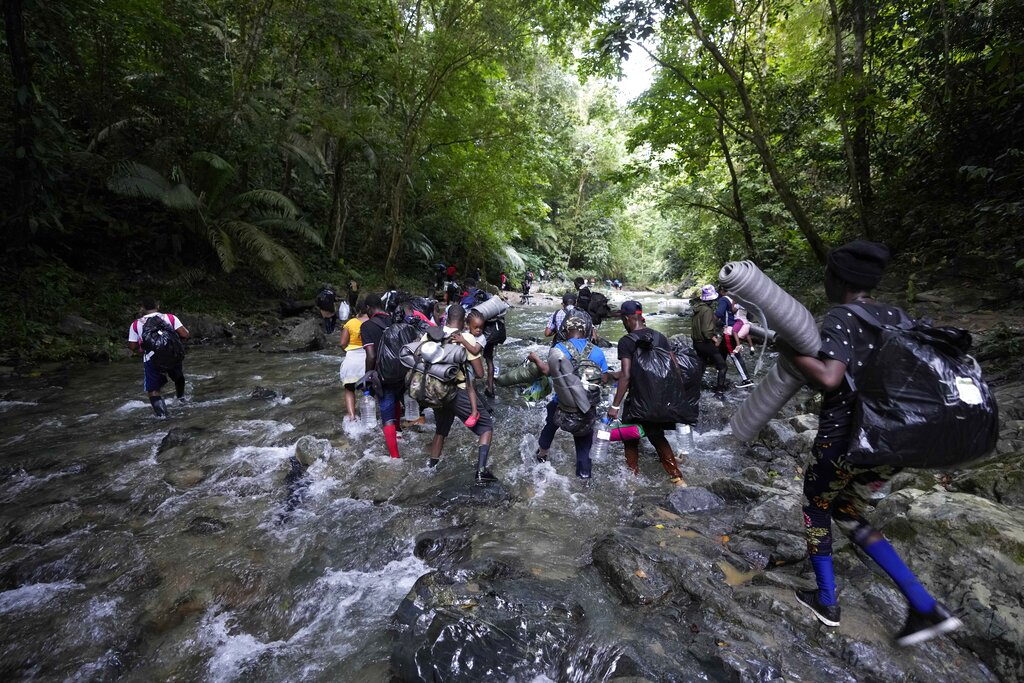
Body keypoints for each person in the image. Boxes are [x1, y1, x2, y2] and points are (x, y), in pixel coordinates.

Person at [779, 240, 962, 646]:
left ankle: (826, 601)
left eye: (827, 274)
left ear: (839, 279)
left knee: (816, 507)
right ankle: (923, 604)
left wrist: (789, 349)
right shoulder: (897, 317)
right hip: (892, 444)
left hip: (844, 441)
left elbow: (829, 377)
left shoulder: (843, 317)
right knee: (848, 511)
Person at [606, 301, 686, 485]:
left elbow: (626, 375)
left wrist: (615, 406)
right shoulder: (659, 337)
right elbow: (674, 368)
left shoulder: (626, 341)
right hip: (658, 398)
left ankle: (632, 478)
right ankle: (677, 477)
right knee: (657, 435)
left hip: (638, 400)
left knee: (630, 438)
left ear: (626, 318)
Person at [527, 315, 611, 479]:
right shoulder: (597, 351)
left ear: (565, 332)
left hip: (562, 406)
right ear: (586, 330)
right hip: (586, 408)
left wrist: (536, 358)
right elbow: (605, 378)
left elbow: (548, 371)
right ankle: (584, 476)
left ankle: (542, 454)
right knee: (584, 443)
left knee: (550, 421)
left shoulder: (559, 348)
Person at [427, 305, 496, 483]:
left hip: (434, 390)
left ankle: (431, 467)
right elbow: (480, 374)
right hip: (458, 391)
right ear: (465, 320)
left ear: (446, 317)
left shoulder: (430, 333)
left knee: (440, 430)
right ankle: (481, 471)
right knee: (486, 426)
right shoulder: (465, 337)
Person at [127, 297, 190, 418]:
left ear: (142, 308)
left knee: (153, 390)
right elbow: (185, 335)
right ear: (158, 306)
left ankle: (163, 418)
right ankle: (181, 399)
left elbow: (132, 346)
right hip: (172, 355)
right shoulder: (170, 318)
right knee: (178, 378)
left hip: (151, 359)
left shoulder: (136, 324)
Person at [360, 294, 403, 458]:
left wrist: (368, 375)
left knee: (386, 411)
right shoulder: (395, 321)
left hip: (384, 374)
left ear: (369, 309)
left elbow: (371, 355)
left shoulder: (367, 326)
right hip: (402, 370)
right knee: (397, 399)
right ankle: (399, 434)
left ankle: (395, 457)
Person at [691, 284, 729, 391]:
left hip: (696, 343)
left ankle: (695, 387)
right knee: (723, 366)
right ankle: (720, 390)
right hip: (705, 343)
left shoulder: (698, 308)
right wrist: (715, 338)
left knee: (702, 365)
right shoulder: (707, 310)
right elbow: (706, 331)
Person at [339, 302, 370, 421]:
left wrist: (348, 352)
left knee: (349, 389)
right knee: (369, 390)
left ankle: (352, 416)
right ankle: (370, 416)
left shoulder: (351, 323)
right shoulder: (373, 322)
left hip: (352, 359)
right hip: (368, 358)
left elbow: (342, 343)